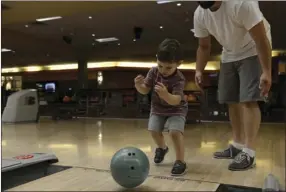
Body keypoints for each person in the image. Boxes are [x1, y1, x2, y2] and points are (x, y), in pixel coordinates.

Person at [193, 1, 272, 171]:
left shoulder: (241, 3)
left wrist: (266, 71)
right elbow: (204, 46)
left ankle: (249, 152)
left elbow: (260, 38)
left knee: (249, 99)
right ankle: (237, 145)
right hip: (229, 54)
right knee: (231, 99)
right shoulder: (200, 14)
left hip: (253, 49)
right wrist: (199, 70)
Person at [134, 39, 188, 176]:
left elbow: (176, 100)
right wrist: (138, 86)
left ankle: (180, 161)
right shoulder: (153, 72)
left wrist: (165, 94)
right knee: (153, 130)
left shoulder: (179, 79)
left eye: (168, 67)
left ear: (179, 63)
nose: (163, 70)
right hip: (158, 108)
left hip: (177, 109)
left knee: (175, 132)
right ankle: (162, 148)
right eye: (160, 66)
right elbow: (145, 90)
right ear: (156, 60)